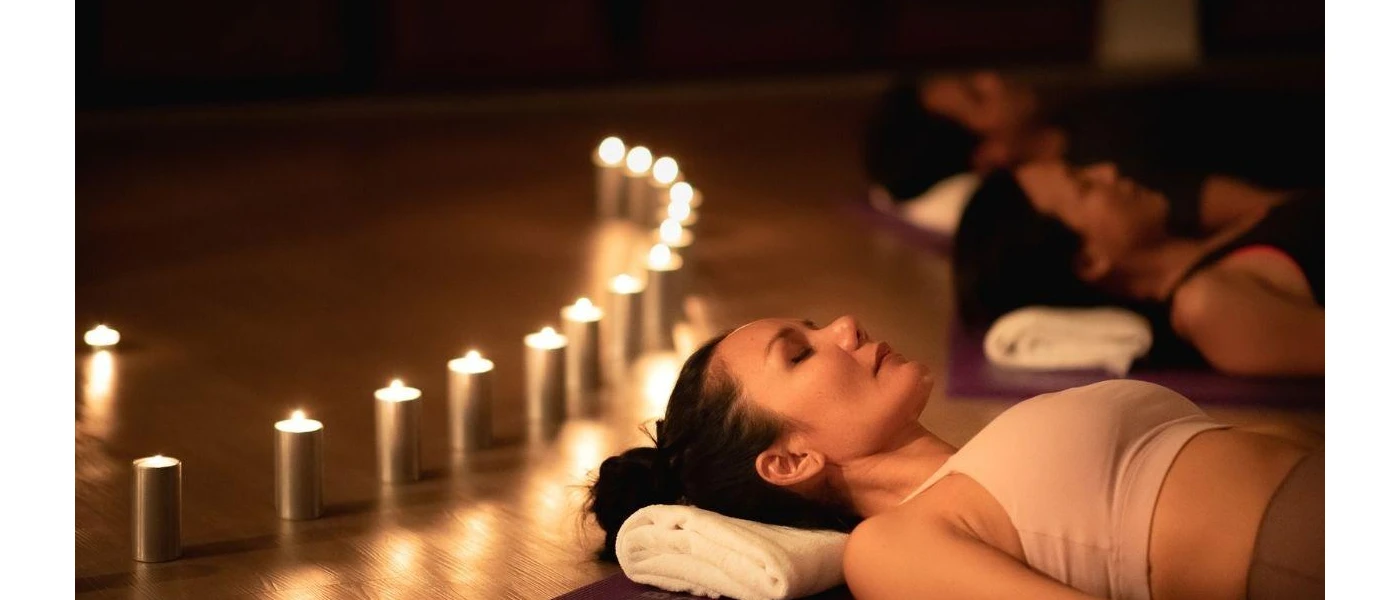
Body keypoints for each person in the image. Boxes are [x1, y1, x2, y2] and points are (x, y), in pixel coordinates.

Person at [586, 316, 1323, 599]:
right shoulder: (891, 545)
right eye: (802, 350)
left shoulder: (988, 452)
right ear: (788, 461)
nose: (845, 324)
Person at [952, 160, 1323, 377]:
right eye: (1085, 186)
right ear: (1090, 261)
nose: (1109, 171)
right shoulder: (1209, 308)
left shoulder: (1213, 224)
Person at [863, 70, 1323, 217]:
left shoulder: (1068, 118)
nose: (991, 77)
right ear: (990, 154)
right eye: (977, 96)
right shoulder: (1108, 175)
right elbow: (1277, 209)